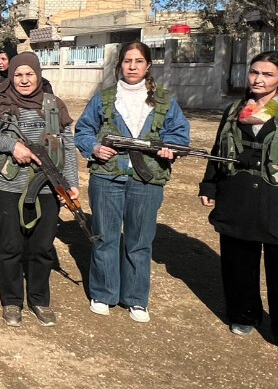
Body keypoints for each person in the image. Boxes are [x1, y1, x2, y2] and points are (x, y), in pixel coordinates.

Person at [75, 42, 190, 323]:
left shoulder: (164, 100)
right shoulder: (104, 99)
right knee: (105, 236)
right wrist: (94, 148)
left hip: (147, 178)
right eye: (127, 61)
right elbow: (83, 130)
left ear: (148, 65)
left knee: (140, 240)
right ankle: (103, 293)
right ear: (120, 65)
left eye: (139, 61)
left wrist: (171, 148)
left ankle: (136, 298)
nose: (133, 66)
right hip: (107, 176)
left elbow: (179, 134)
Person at [0, 52, 78, 327]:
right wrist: (12, 146)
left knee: (42, 247)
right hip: (9, 186)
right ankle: (11, 301)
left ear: (38, 75)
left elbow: (67, 147)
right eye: (18, 74)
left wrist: (71, 184)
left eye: (29, 74)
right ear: (11, 76)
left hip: (47, 187)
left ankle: (39, 299)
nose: (23, 80)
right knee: (10, 246)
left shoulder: (54, 105)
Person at [199, 50, 278, 338]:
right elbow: (218, 150)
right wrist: (209, 185)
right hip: (237, 194)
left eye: (267, 74)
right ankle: (243, 314)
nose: (258, 79)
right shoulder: (235, 111)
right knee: (238, 262)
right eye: (254, 72)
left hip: (274, 197)